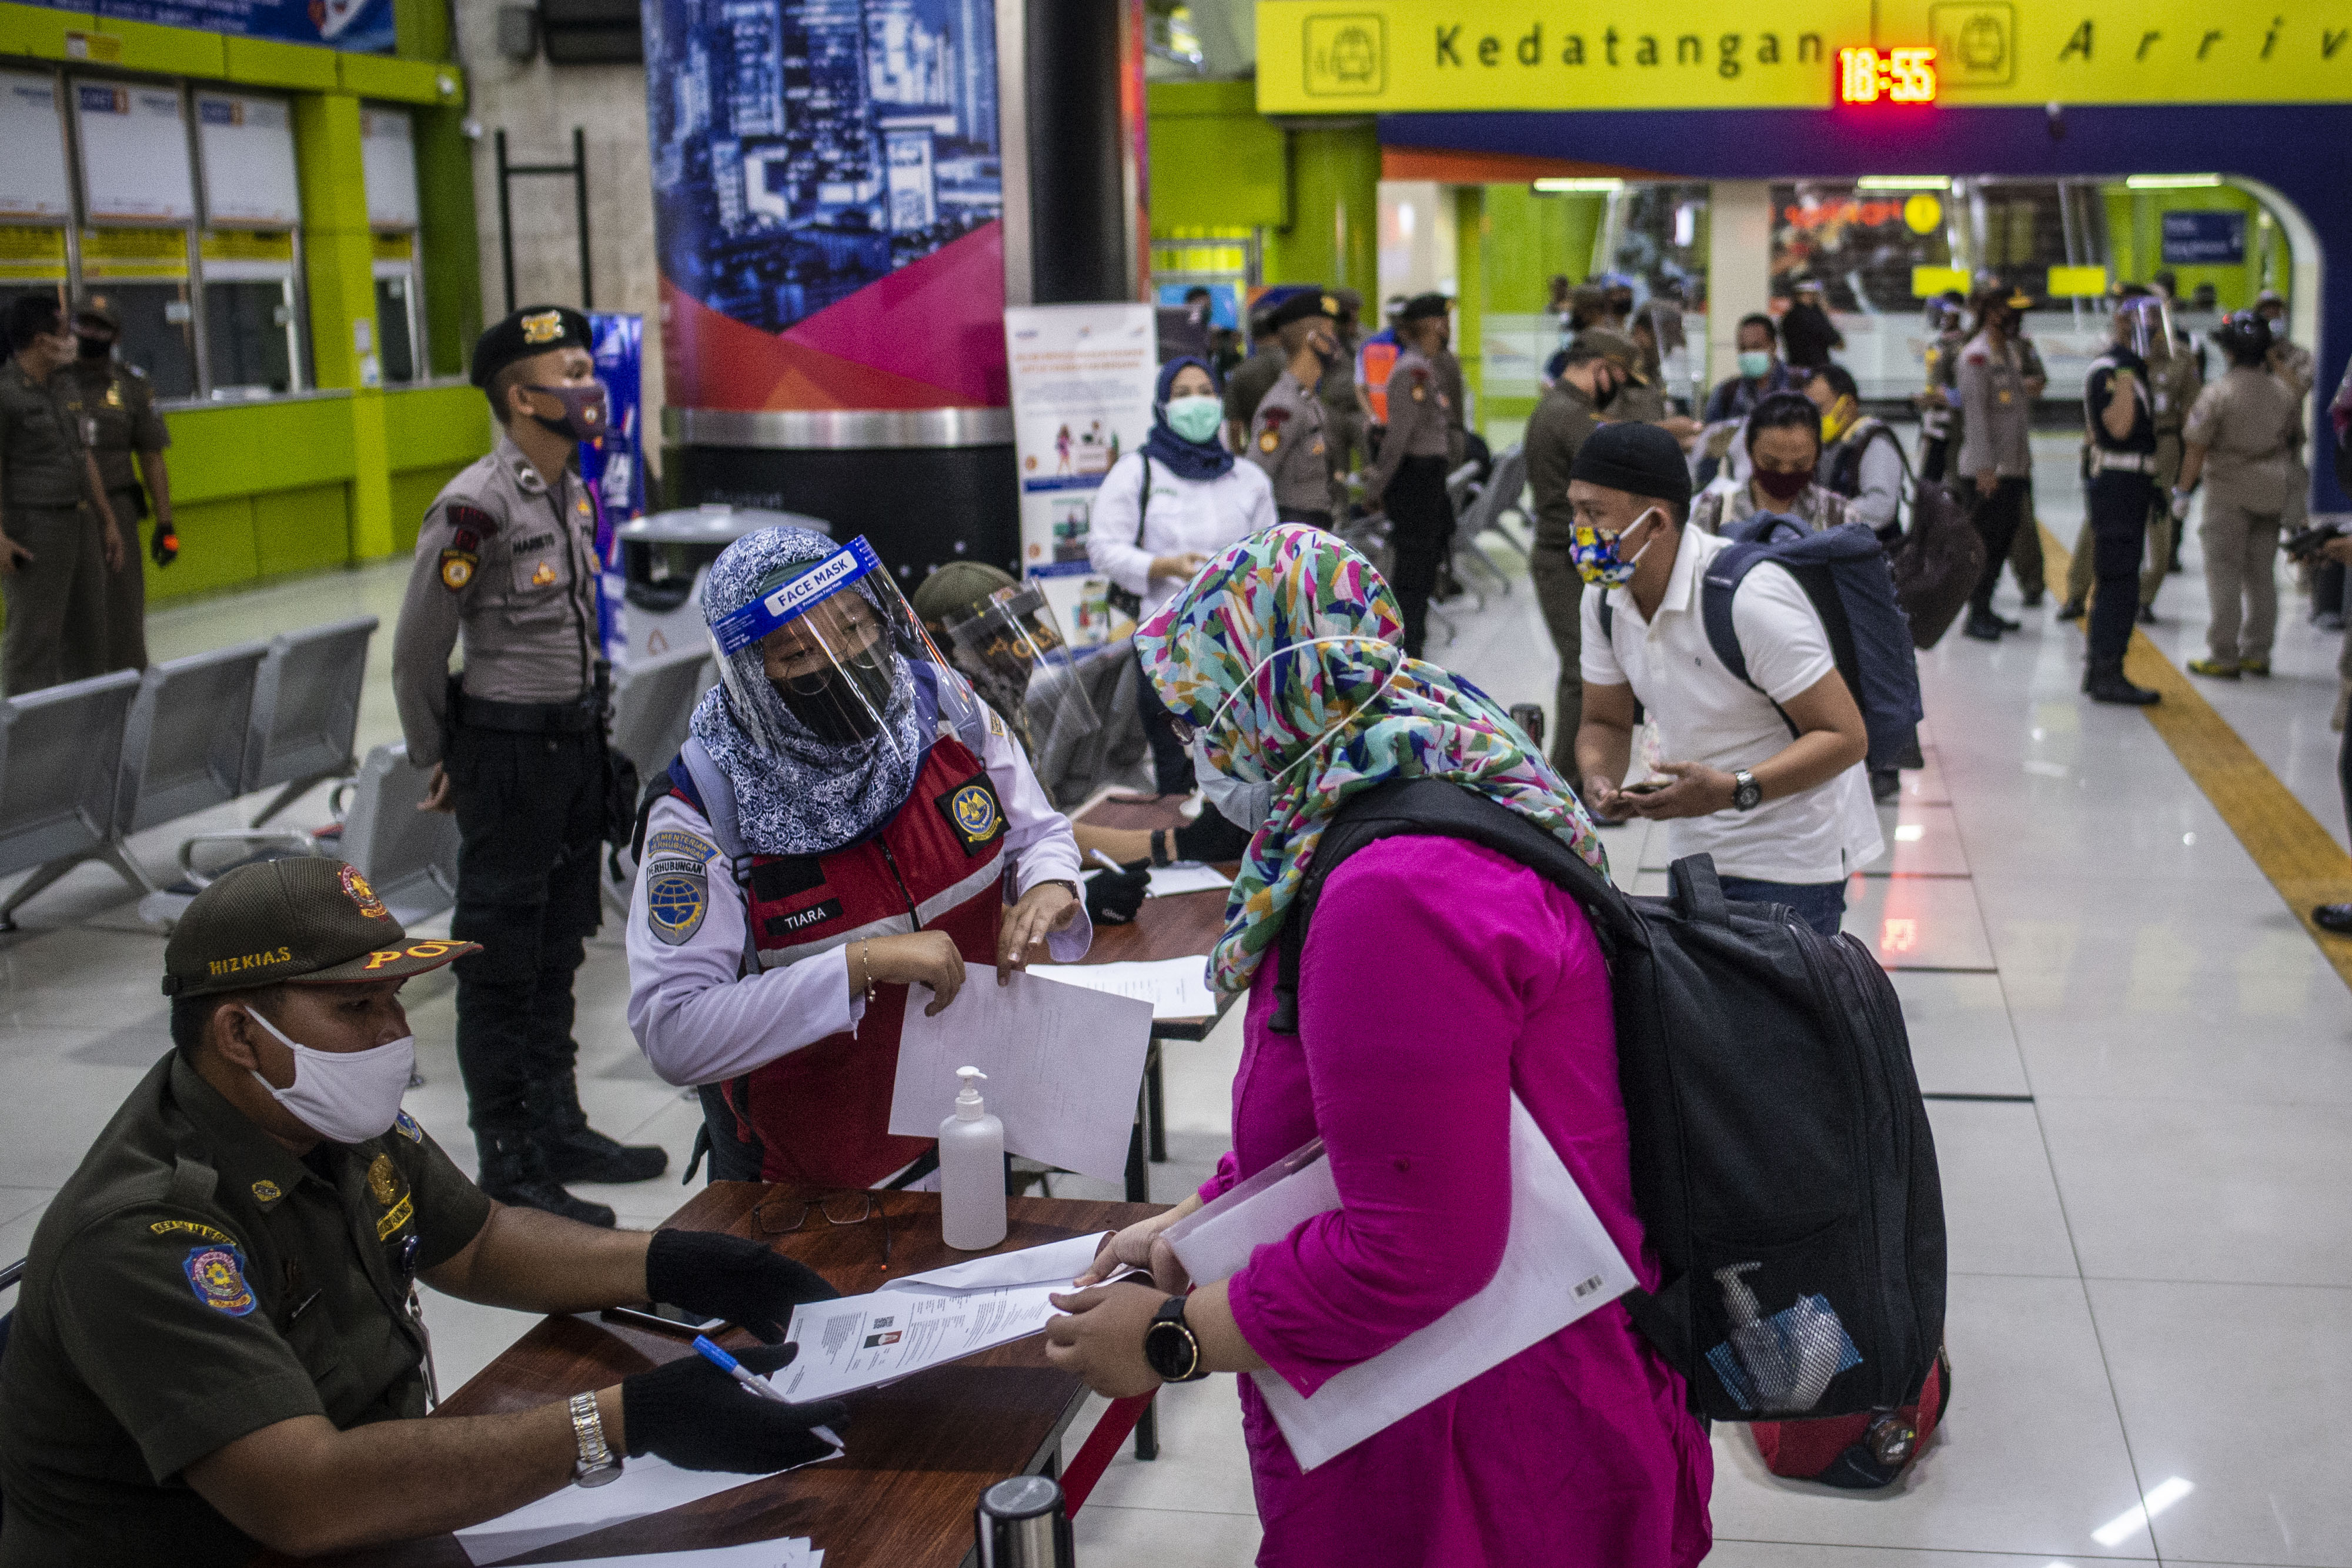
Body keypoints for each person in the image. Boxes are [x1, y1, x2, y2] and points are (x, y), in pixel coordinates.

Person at [1045, 524, 1713, 1568]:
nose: (1199, 756)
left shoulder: (1393, 892)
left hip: (1477, 1445)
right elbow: (1382, 1121)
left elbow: (1421, 1248)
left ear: (1267, 701)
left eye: (1201, 718)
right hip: (1496, 1386)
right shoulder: (1431, 769)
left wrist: (1174, 1334)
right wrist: (1202, 1217)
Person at [0, 858, 847, 1568]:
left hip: (375, 1512)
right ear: (238, 1034)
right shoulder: (145, 1235)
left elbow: (477, 1242)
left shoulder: (320, 1115)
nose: (394, 1034)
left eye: (396, 997)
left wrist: (677, 1263)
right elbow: (304, 1495)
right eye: (356, 1007)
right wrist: (623, 1421)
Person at [626, 526, 1089, 1187]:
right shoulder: (706, 804)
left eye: (853, 627)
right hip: (815, 1189)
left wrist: (1050, 882)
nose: (843, 660)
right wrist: (856, 965)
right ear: (751, 673)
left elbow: (1038, 831)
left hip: (974, 1128)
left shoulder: (942, 707)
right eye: (797, 653)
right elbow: (674, 1031)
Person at [390, 305, 663, 1226]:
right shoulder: (477, 506)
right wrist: (440, 753)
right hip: (507, 756)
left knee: (558, 946)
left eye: (589, 367)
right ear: (521, 395)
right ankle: (506, 1155)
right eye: (572, 371)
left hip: (574, 749)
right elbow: (418, 649)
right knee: (502, 961)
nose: (591, 386)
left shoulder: (567, 488)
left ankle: (558, 1125)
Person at [1572, 423, 1882, 936]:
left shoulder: (1747, 597)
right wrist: (1599, 778)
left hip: (1793, 857)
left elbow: (1845, 737)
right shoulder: (1604, 598)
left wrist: (1731, 790)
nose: (1578, 528)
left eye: (1594, 513)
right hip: (1694, 851)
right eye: (1575, 511)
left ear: (1656, 522)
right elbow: (1604, 720)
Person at [1092, 355, 1277, 793]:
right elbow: (1102, 548)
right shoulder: (1137, 471)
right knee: (1179, 774)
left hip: (1241, 647)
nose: (1196, 402)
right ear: (1162, 406)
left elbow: (1271, 556)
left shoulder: (1248, 478)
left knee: (1247, 768)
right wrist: (1163, 565)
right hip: (1166, 644)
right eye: (1182, 394)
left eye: (1206, 392)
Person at [0, 293, 126, 696]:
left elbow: (83, 454)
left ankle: (87, 726)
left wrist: (107, 519)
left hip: (81, 520)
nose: (73, 339)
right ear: (42, 341)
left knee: (90, 635)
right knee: (34, 640)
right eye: (64, 331)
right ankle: (28, 730)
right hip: (34, 530)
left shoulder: (64, 384)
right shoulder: (6, 393)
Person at [1524, 333, 1634, 775]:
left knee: (1589, 665)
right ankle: (1568, 782)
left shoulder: (1562, 408)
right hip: (1564, 557)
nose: (1618, 387)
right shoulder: (1569, 415)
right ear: (1600, 368)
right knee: (1581, 671)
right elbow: (1613, 465)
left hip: (1571, 552)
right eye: (1618, 376)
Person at [2178, 311, 2307, 680]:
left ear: (2230, 352)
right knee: (2262, 576)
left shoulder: (2217, 393)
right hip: (2273, 490)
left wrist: (2182, 491)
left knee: (2224, 574)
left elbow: (2196, 448)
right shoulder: (2284, 392)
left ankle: (2224, 655)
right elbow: (2295, 441)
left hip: (2228, 492)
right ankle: (2258, 653)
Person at [2062, 286, 2199, 626]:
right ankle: (2077, 592)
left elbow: (2191, 414)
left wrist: (2190, 468)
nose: (2146, 319)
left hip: (2162, 444)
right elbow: (2099, 409)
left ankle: (2144, 597)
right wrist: (2090, 448)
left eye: (2154, 311)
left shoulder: (2180, 357)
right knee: (2100, 521)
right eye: (2137, 312)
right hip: (2115, 449)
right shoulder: (2114, 356)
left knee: (2158, 520)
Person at [69, 296, 171, 673]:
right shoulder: (55, 381)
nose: (90, 333)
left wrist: (166, 523)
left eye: (101, 327)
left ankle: (130, 685)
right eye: (84, 324)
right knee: (74, 611)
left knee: (124, 606)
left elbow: (151, 456)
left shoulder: (131, 385)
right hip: (65, 509)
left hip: (118, 506)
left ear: (116, 336)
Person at [2075, 297, 2166, 706]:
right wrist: (2128, 370)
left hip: (2132, 484)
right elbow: (2120, 427)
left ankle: (2104, 667)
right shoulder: (2110, 370)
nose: (2155, 327)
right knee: (2117, 580)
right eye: (2146, 318)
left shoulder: (2135, 368)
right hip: (2116, 484)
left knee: (2124, 579)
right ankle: (2105, 671)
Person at [1359, 293, 1457, 658]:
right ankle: (1407, 646)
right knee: (1413, 569)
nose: (1447, 327)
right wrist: (1376, 487)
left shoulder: (1424, 367)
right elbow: (1399, 438)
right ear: (1432, 325)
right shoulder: (1411, 372)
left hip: (1426, 478)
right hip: (1415, 480)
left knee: (1423, 565)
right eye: (1443, 321)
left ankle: (1414, 639)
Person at [1955, 289, 2036, 641]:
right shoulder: (1977, 357)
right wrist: (1985, 469)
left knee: (2002, 541)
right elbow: (1975, 418)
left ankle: (1986, 607)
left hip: (2013, 467)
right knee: (1985, 544)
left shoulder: (2008, 352)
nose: (2015, 318)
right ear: (1990, 313)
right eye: (2008, 311)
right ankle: (1975, 614)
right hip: (1989, 472)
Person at [1691, 390, 1850, 536]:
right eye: (1771, 463)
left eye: (1800, 464)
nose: (1785, 471)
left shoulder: (1839, 516)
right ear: (1749, 448)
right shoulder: (1715, 513)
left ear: (1818, 453)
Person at [1248, 288, 1345, 527]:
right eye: (1330, 332)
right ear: (1314, 339)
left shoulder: (1308, 399)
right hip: (1293, 527)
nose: (1336, 342)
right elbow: (1256, 476)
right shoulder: (1283, 407)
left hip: (1314, 523)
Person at [1698, 313, 1803, 486]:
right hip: (1742, 487)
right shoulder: (1726, 393)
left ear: (1773, 346)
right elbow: (1710, 451)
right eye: (1743, 349)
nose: (1749, 354)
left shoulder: (1800, 386)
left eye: (1756, 347)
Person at [1809, 364, 1904, 544]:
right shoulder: (1829, 445)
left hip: (1874, 550)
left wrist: (1824, 518)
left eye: (1820, 409)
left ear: (1849, 404)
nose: (1816, 419)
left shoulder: (1874, 443)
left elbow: (1881, 507)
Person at [1221, 289, 1294, 451]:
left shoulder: (1240, 372)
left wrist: (1240, 454)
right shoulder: (1296, 366)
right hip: (1296, 452)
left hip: (1259, 451)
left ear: (1253, 337)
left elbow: (1234, 425)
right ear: (1281, 331)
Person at [1915, 292, 1969, 483]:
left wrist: (1938, 399)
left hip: (1950, 425)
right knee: (1928, 479)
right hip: (1933, 421)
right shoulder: (1940, 344)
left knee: (1948, 479)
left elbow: (1965, 390)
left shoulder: (1961, 345)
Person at [2254, 289, 2316, 406]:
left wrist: (2275, 361)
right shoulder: (2250, 356)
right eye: (2266, 312)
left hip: (2288, 417)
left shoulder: (2301, 356)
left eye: (2276, 311)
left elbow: (2300, 390)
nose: (2271, 316)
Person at [1780, 278, 1844, 371]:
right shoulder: (1814, 317)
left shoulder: (1788, 318)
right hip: (1817, 371)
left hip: (1795, 370)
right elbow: (1838, 343)